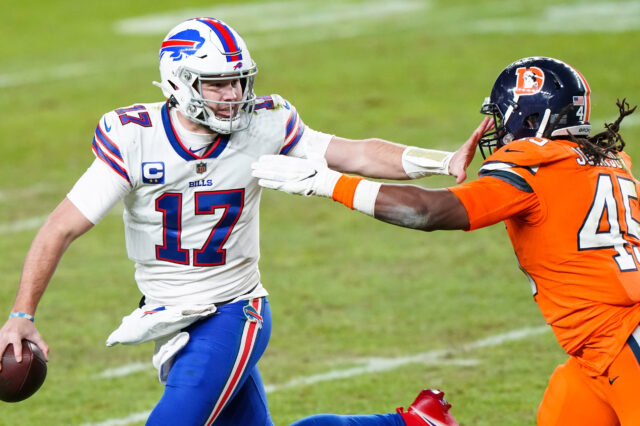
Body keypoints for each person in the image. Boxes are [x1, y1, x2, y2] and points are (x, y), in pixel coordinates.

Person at [0, 17, 484, 426]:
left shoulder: (264, 123)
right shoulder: (134, 138)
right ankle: (412, 422)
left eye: (238, 80)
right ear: (178, 83)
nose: (233, 94)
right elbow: (60, 227)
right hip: (166, 313)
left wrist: (442, 160)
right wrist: (22, 315)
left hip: (233, 309)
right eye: (217, 83)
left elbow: (356, 153)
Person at [252, 56, 640, 425]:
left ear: (530, 117)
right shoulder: (609, 165)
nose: (498, 129)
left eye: (502, 117)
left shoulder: (536, 167)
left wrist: (325, 182)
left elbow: (429, 212)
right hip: (595, 353)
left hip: (624, 341)